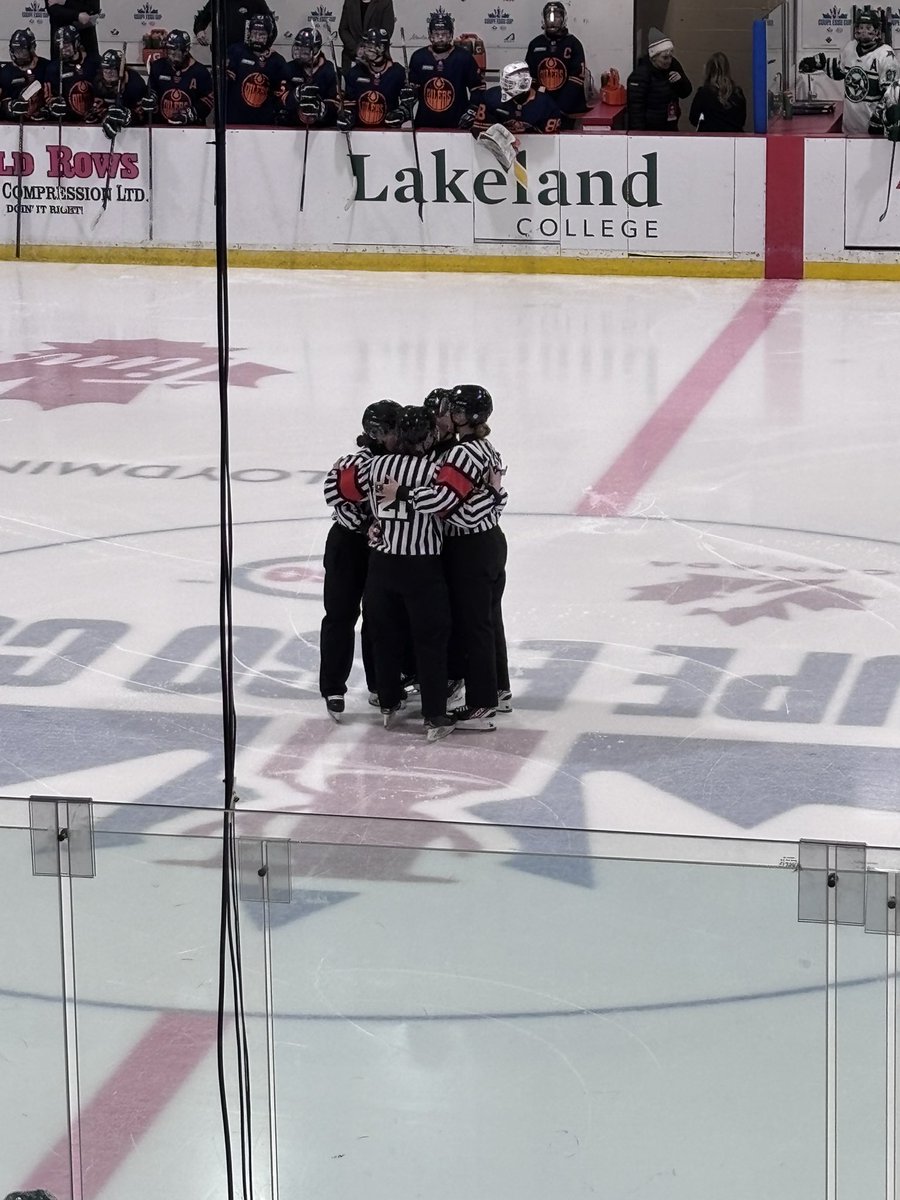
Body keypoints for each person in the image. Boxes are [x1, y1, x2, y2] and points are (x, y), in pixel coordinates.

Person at [381, 384, 510, 724]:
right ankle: (497, 690)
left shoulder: (462, 455)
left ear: (469, 416)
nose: (447, 414)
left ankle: (483, 700)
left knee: (475, 624)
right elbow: (496, 495)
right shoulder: (483, 446)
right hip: (488, 543)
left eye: (455, 410)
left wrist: (402, 493)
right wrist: (494, 498)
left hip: (471, 548)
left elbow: (445, 505)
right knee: (485, 621)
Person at [345, 406, 467, 742]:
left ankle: (388, 701)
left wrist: (369, 524)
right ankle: (434, 715)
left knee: (384, 636)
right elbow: (445, 504)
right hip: (422, 567)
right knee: (430, 640)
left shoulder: (376, 464)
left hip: (382, 564)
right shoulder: (433, 468)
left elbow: (347, 491)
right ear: (428, 436)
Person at [321, 400, 401, 721]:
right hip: (349, 545)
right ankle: (333, 687)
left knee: (379, 618)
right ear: (377, 433)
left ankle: (379, 684)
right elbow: (333, 493)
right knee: (340, 615)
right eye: (395, 430)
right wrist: (366, 524)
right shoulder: (358, 460)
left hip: (379, 548)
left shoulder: (400, 461)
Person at [405, 12, 484, 130]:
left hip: (456, 125)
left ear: (451, 35)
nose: (440, 38)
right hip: (425, 125)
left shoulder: (464, 58)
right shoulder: (419, 57)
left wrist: (471, 111)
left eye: (444, 34)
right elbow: (413, 90)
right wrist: (408, 96)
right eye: (436, 34)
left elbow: (478, 89)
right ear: (430, 35)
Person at [834, 6, 897, 135]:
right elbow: (839, 72)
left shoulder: (885, 55)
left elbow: (891, 94)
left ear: (877, 31)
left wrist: (879, 118)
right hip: (849, 129)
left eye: (868, 28)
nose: (863, 31)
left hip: (873, 131)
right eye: (861, 27)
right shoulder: (850, 48)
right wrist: (819, 64)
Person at [525, 1, 588, 121]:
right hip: (543, 109)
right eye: (549, 16)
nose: (553, 20)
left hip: (571, 111)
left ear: (564, 19)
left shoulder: (573, 44)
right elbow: (530, 78)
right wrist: (540, 104)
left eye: (557, 17)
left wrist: (559, 108)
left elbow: (576, 79)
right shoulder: (535, 44)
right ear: (543, 19)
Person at [468, 60, 564, 136]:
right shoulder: (491, 97)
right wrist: (503, 141)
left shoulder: (547, 106)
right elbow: (479, 130)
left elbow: (549, 141)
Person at [626, 27, 692, 131]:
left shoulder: (673, 65)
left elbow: (686, 92)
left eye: (670, 56)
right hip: (650, 129)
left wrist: (680, 80)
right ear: (653, 57)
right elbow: (636, 110)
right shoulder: (641, 74)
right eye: (665, 57)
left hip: (670, 124)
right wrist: (638, 135)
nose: (669, 61)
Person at [225, 13, 285, 125]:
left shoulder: (277, 61)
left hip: (263, 123)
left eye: (262, 34)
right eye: (254, 33)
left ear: (269, 35)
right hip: (234, 121)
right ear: (249, 34)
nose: (257, 38)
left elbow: (279, 94)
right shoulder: (236, 51)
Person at [339, 27, 405, 130]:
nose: (366, 49)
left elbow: (407, 102)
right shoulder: (355, 72)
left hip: (389, 134)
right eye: (365, 45)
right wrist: (347, 116)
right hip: (360, 132)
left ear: (382, 47)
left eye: (371, 45)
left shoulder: (397, 72)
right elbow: (350, 103)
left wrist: (401, 112)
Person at [147, 30, 213, 126]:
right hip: (161, 128)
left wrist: (192, 113)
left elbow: (209, 100)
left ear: (185, 51)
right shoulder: (158, 66)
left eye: (174, 51)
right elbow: (151, 90)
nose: (170, 55)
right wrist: (150, 99)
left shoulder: (200, 72)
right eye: (168, 50)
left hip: (191, 131)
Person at [280, 27, 338, 128]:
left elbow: (335, 102)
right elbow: (281, 99)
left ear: (315, 50)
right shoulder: (289, 67)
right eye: (298, 48)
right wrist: (296, 93)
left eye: (305, 50)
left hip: (321, 128)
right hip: (292, 126)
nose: (300, 54)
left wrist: (321, 108)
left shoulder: (328, 69)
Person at [87, 47, 149, 139]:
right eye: (105, 68)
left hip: (133, 133)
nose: (108, 72)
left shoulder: (135, 82)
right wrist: (104, 116)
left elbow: (144, 113)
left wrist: (130, 117)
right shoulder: (98, 82)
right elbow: (97, 107)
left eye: (112, 68)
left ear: (121, 69)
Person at [43, 25, 99, 124]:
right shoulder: (54, 68)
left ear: (76, 43)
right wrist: (54, 104)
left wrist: (99, 110)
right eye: (60, 46)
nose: (63, 50)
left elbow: (102, 89)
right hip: (68, 121)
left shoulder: (93, 62)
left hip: (93, 121)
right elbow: (49, 96)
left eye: (66, 45)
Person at [338, 0, 395, 82]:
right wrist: (356, 49)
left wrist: (369, 49)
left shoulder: (385, 2)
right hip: (352, 57)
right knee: (351, 92)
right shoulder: (350, 2)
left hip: (377, 59)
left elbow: (386, 31)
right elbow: (343, 29)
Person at [689, 52, 746, 132]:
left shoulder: (704, 93)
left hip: (710, 138)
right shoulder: (737, 93)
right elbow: (742, 120)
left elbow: (693, 119)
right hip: (734, 138)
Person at [0, 30, 50, 123]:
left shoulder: (47, 67)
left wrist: (48, 110)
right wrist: (10, 107)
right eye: (16, 51)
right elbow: (2, 100)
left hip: (45, 126)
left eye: (23, 51)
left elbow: (55, 94)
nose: (19, 55)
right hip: (13, 126)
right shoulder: (5, 72)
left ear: (32, 48)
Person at [193, 0, 276, 51]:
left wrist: (266, 48)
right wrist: (199, 30)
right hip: (224, 54)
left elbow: (272, 27)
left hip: (249, 53)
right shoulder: (219, 1)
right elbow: (202, 17)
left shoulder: (256, 1)